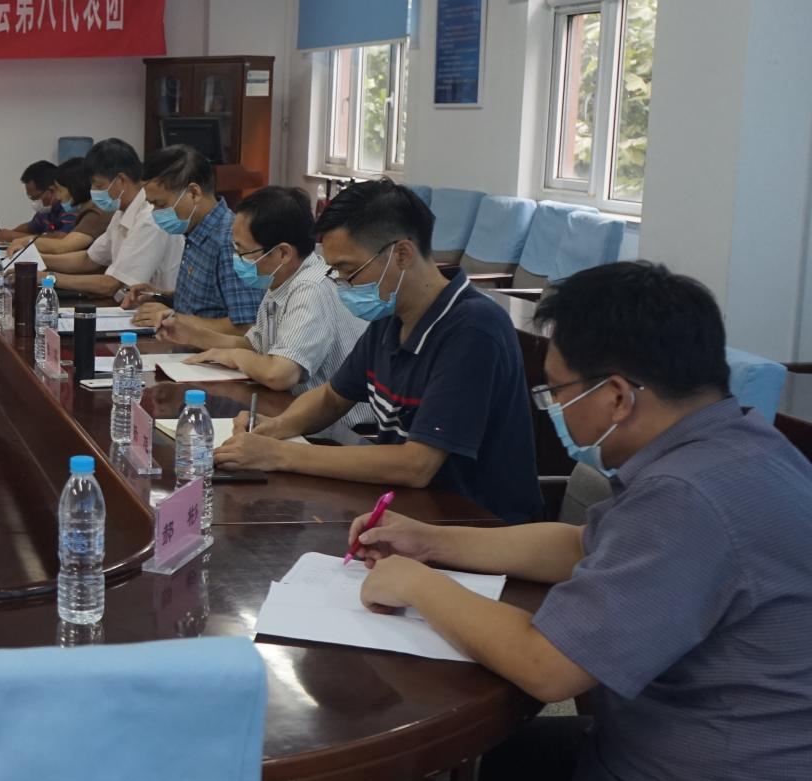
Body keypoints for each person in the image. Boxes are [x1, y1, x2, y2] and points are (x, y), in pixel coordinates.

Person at [347, 261, 812, 781]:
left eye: (560, 391)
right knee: (496, 763)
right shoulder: (733, 448)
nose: (556, 407)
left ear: (619, 394)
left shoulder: (690, 495)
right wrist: (431, 542)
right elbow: (585, 545)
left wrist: (418, 584)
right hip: (703, 765)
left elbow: (549, 666)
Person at [214, 179, 541, 523]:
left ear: (402, 254)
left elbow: (417, 464)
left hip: (476, 526)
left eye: (348, 270)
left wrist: (280, 455)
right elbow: (332, 398)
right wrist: (273, 428)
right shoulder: (391, 316)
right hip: (407, 513)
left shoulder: (473, 330)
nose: (341, 284)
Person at [156, 187, 365, 406]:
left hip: (334, 424)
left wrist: (235, 357)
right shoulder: (281, 279)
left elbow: (280, 374)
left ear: (283, 253)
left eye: (242, 251)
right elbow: (254, 345)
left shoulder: (311, 288)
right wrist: (192, 335)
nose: (236, 258)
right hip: (293, 408)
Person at [124, 145, 260, 334]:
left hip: (209, 351)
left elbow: (246, 327)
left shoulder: (230, 242)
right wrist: (159, 296)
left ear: (194, 193)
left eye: (160, 204)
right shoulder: (195, 231)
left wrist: (173, 319)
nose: (155, 213)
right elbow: (206, 305)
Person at [40, 138, 182, 299]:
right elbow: (89, 259)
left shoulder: (150, 218)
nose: (93, 191)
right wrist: (37, 261)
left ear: (121, 180)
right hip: (129, 306)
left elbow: (111, 285)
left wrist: (48, 278)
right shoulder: (121, 212)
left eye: (99, 186)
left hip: (154, 308)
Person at [34, 156, 109, 256]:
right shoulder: (86, 212)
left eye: (60, 190)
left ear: (75, 188)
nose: (58, 197)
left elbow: (62, 247)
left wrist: (26, 242)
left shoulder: (96, 213)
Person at [0, 160, 76, 243]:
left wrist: (14, 236)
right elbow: (30, 227)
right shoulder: (46, 210)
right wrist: (6, 233)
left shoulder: (69, 207)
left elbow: (61, 238)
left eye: (36, 197)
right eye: (31, 198)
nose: (35, 202)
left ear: (52, 190)